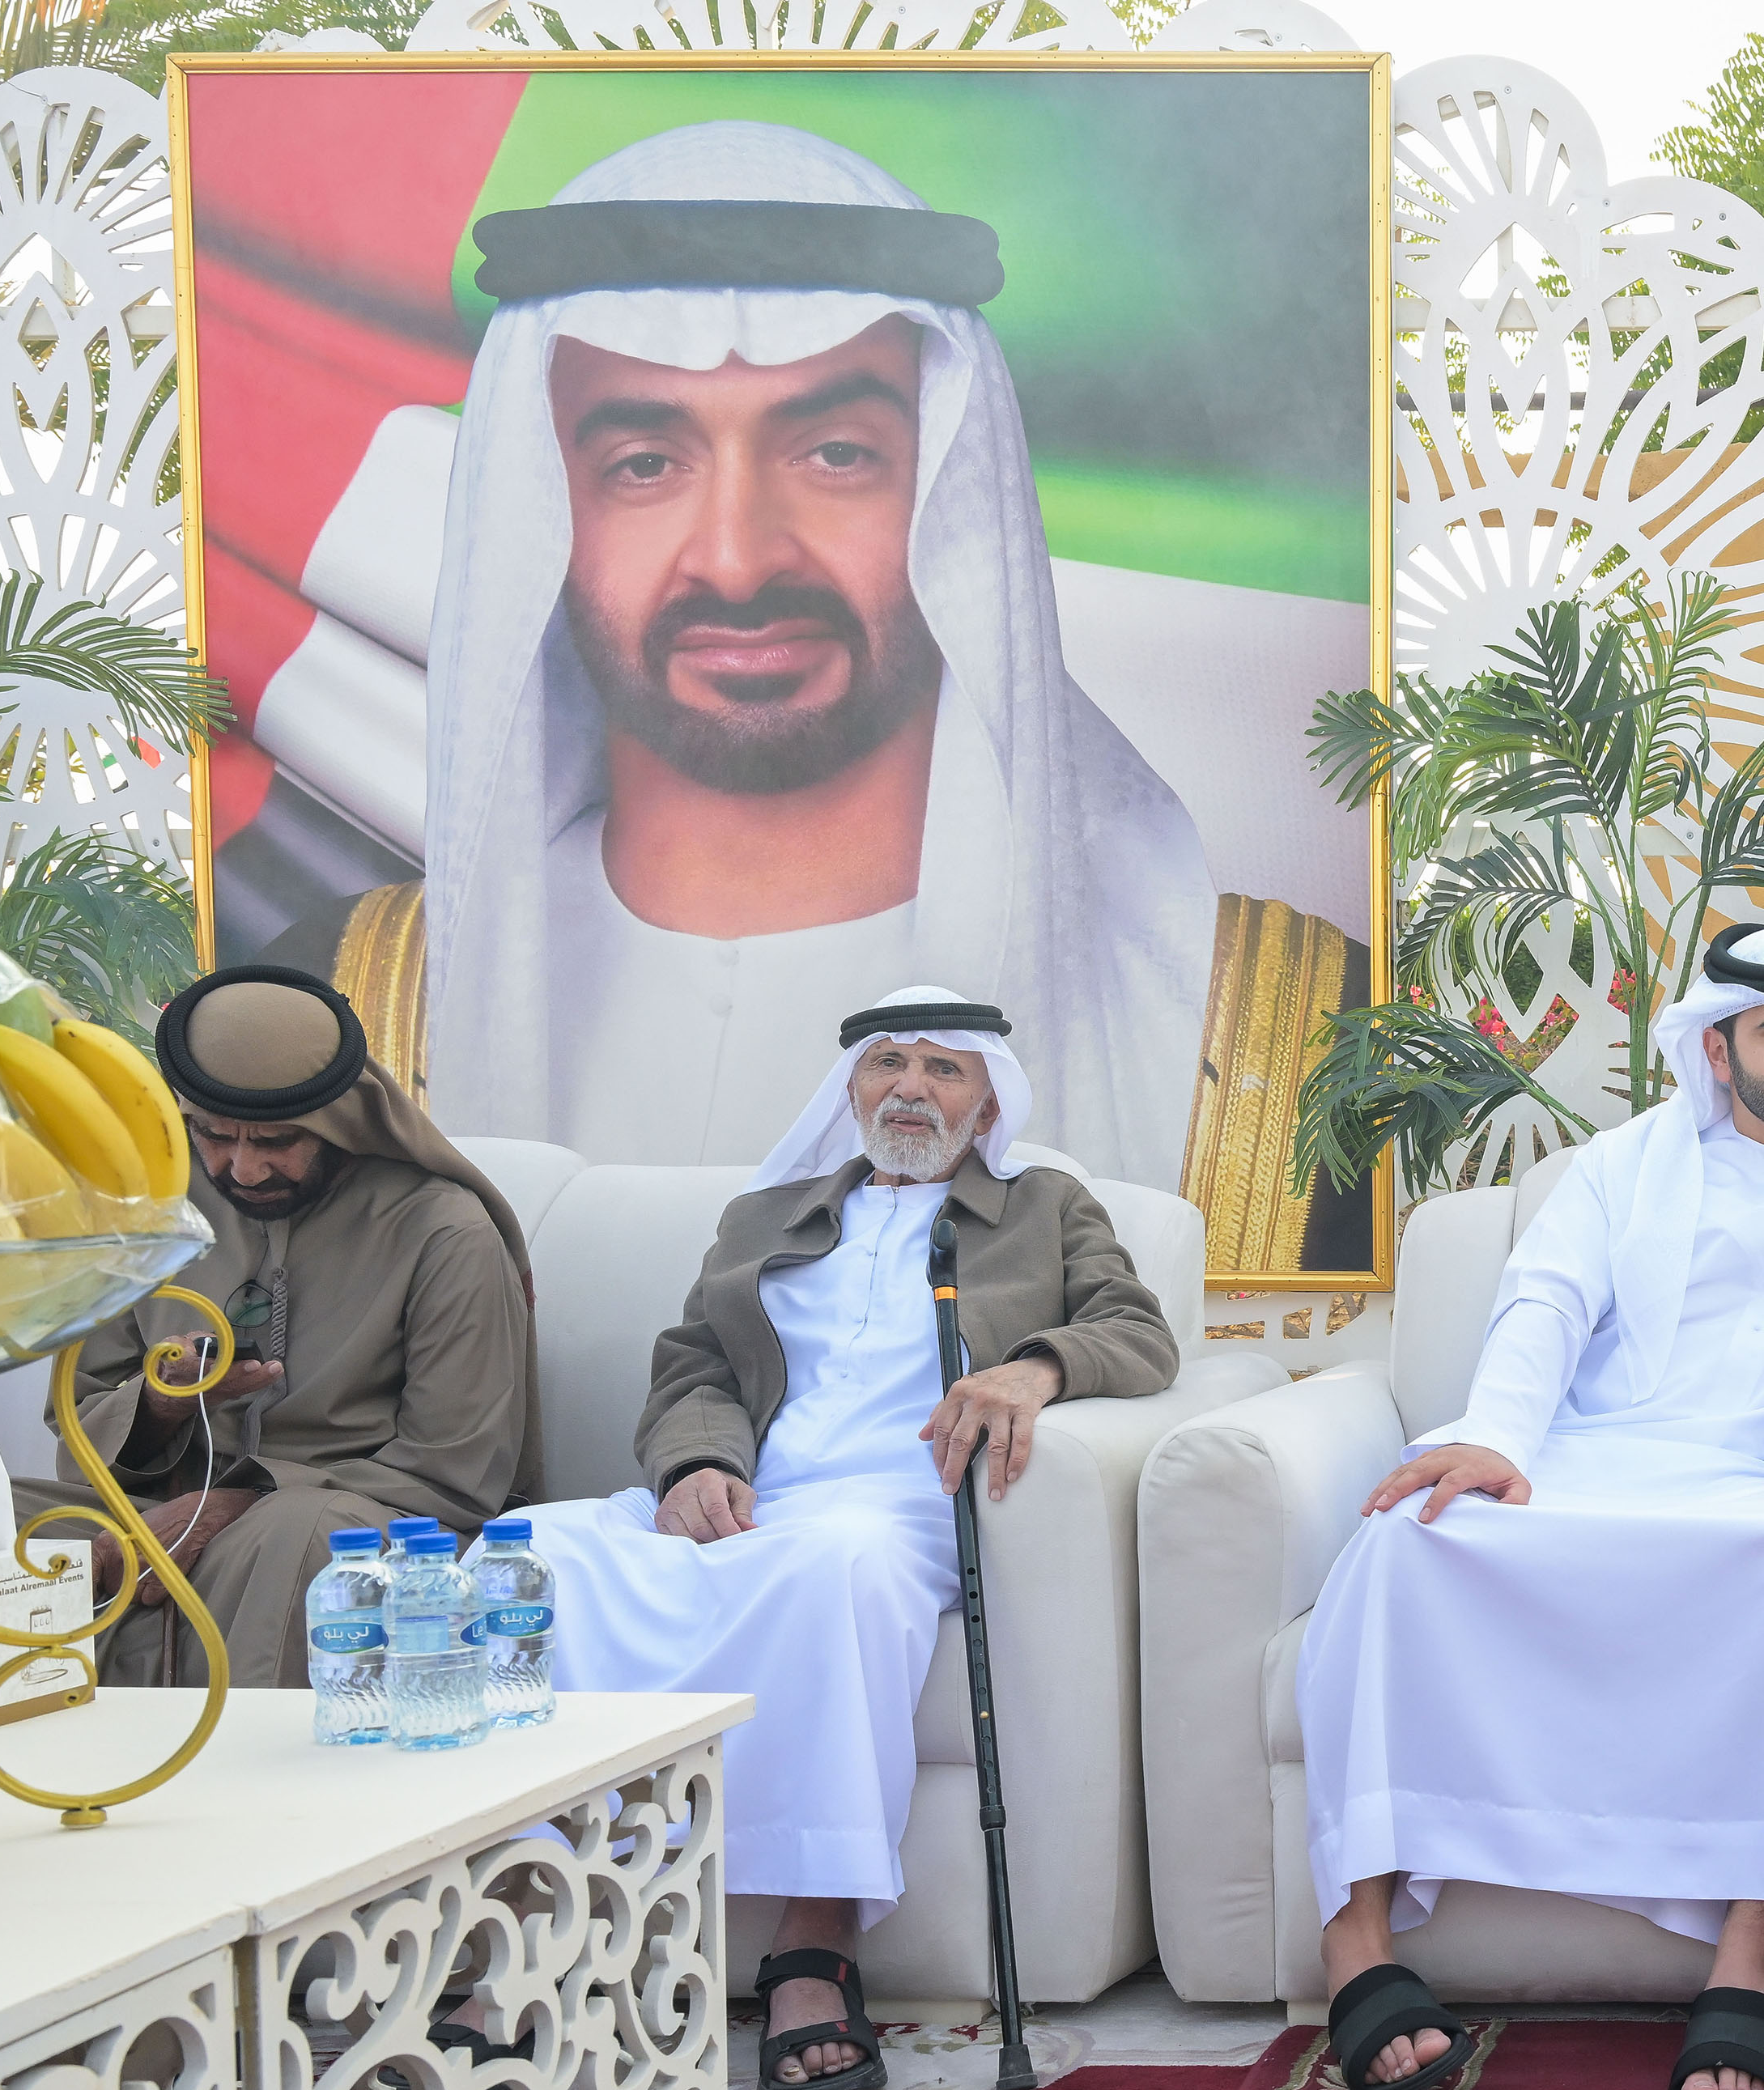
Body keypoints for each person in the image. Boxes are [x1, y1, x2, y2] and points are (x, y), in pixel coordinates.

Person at [304, 118, 1368, 1266]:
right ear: (546, 518)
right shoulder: (337, 1014)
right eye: (644, 466)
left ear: (955, 501)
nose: (737, 560)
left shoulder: (1286, 1036)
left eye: (836, 455)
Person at [1294, 923, 1764, 2090]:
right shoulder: (1622, 1165)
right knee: (1404, 1541)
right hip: (1597, 1461)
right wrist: (1501, 1438)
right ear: (1716, 1049)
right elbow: (1545, 1302)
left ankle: (1753, 1956)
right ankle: (1356, 1942)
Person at [521, 985, 1177, 2090]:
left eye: (942, 1069)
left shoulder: (1042, 1207)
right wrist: (695, 1465)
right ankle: (536, 1926)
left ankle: (814, 1947)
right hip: (757, 1495)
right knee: (525, 1556)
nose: (910, 1089)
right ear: (852, 1089)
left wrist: (1035, 1368)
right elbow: (695, 1367)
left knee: (837, 1568)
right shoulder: (765, 1218)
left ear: (986, 1105)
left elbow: (1137, 1333)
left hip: (900, 1503)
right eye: (887, 1065)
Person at [36, 966, 533, 1688]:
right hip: (157, 1500)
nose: (243, 1168)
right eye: (213, 1135)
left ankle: (247, 1761)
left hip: (360, 1515)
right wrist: (162, 1404)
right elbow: (77, 1426)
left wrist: (235, 1503)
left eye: (277, 1139)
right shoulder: (147, 1205)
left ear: (338, 1121)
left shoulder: (441, 1232)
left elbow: (454, 1471)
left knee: (300, 1540)